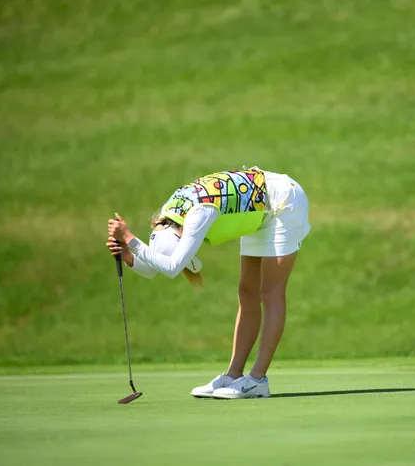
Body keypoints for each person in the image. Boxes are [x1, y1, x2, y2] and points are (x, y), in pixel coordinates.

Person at [106, 167, 310, 399]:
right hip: (258, 207)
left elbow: (171, 267)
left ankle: (257, 380)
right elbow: (157, 267)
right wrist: (128, 255)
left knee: (270, 291)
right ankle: (233, 375)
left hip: (283, 201)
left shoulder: (198, 214)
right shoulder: (167, 219)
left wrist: (130, 238)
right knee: (246, 291)